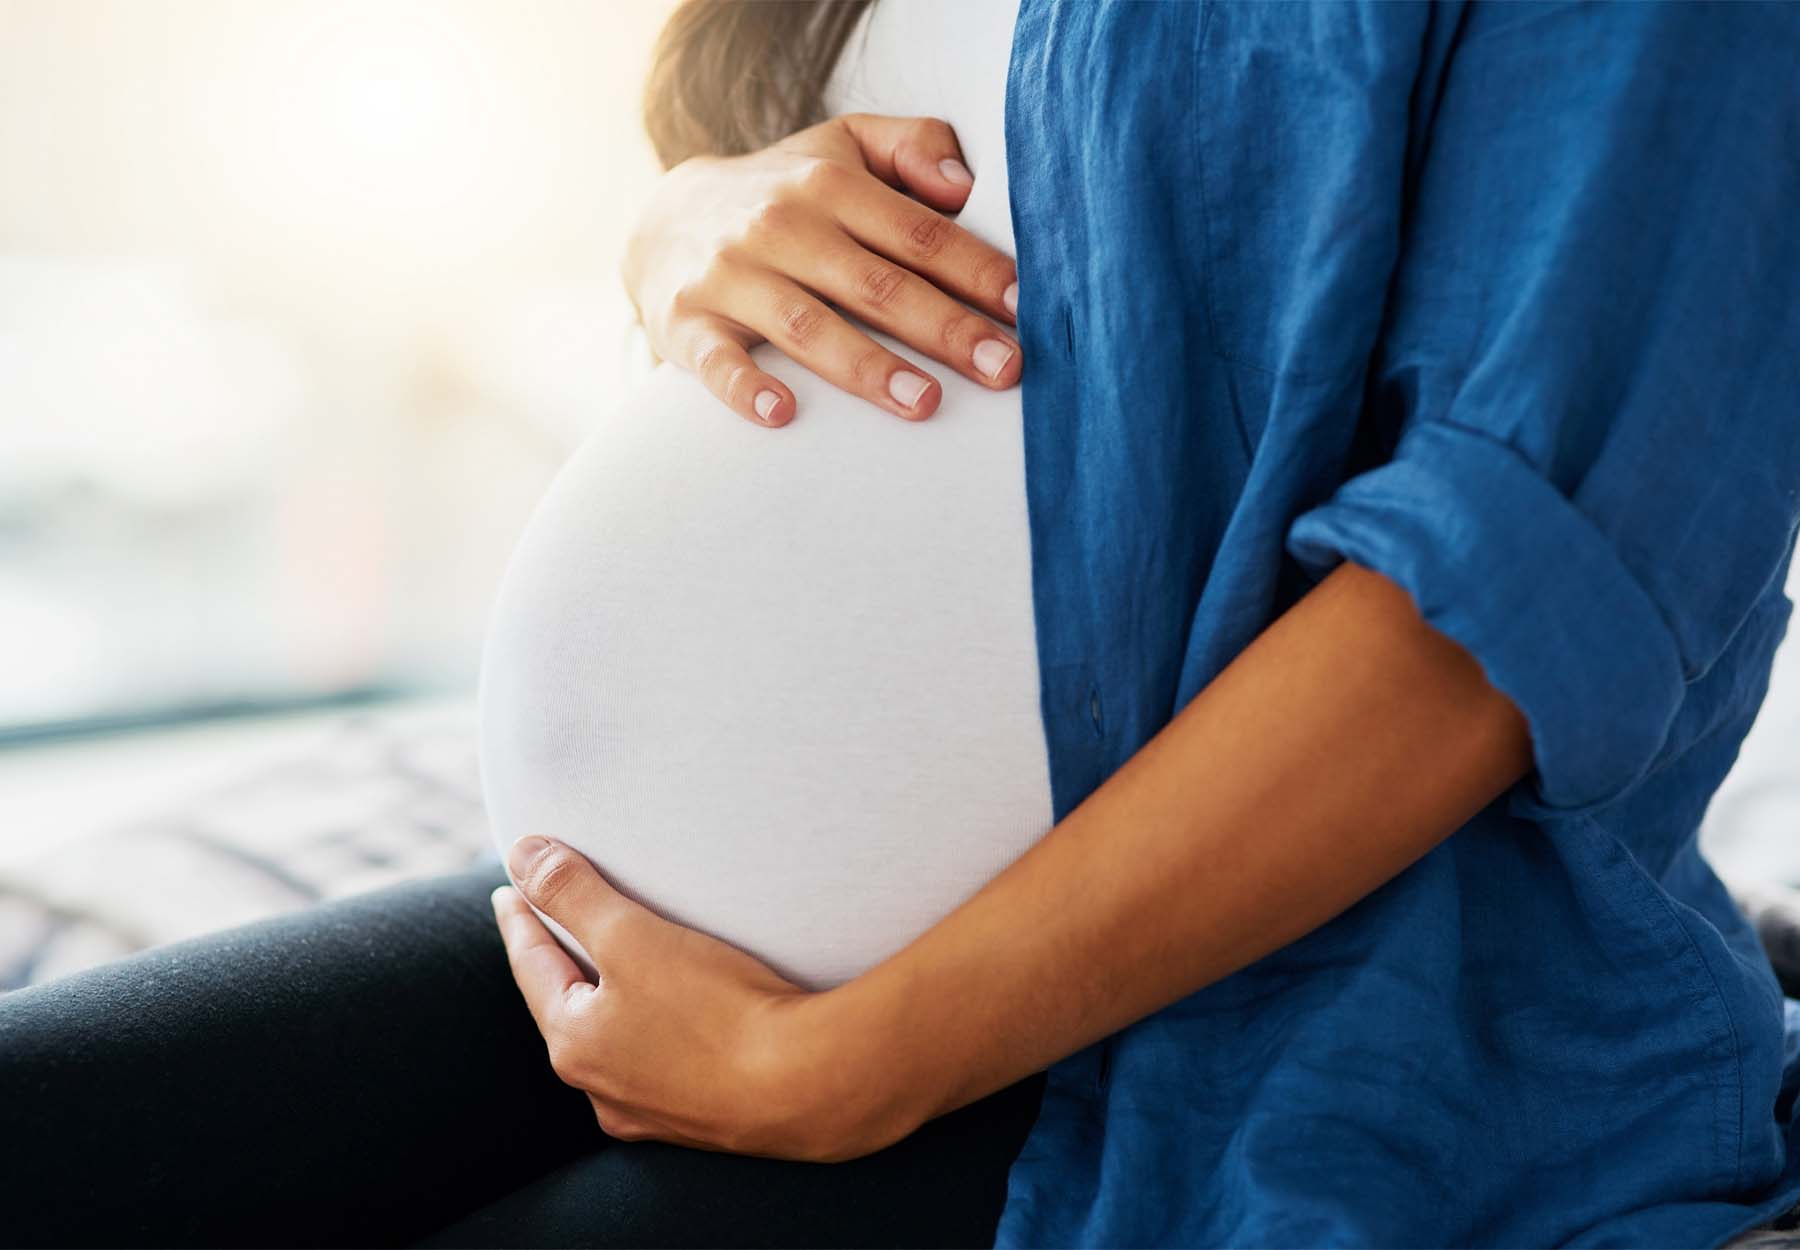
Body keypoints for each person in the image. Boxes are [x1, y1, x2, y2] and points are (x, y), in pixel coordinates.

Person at [5, 1, 1800, 1246]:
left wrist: (840, 1065)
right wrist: (683, 224)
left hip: (1262, 1037)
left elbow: (1499, 603)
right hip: (672, 961)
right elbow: (798, 180)